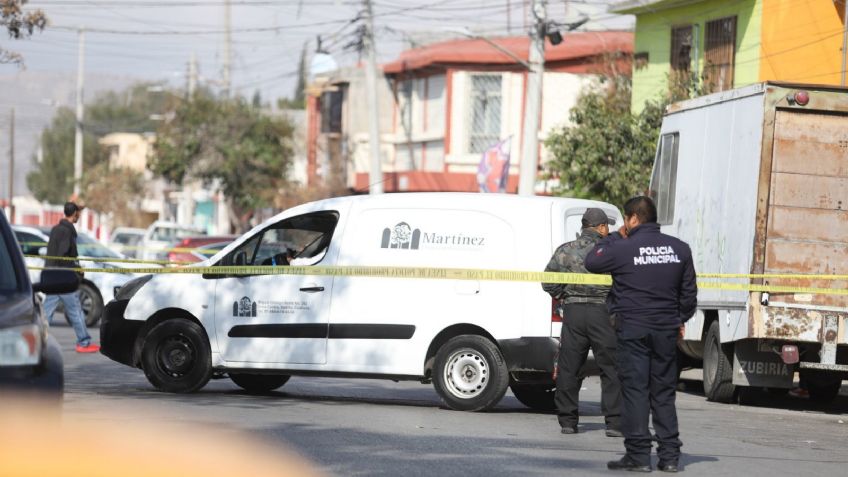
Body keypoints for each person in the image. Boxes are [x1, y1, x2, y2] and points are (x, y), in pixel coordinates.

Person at [584, 196, 697, 473]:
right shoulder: (680, 249)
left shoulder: (623, 248)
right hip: (665, 331)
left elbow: (592, 261)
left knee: (635, 392)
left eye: (625, 219)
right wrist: (677, 318)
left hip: (633, 329)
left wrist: (613, 238)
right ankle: (669, 457)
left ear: (633, 218)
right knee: (663, 393)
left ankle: (638, 455)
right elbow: (689, 296)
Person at [542, 208, 622, 437]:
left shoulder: (565, 250)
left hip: (574, 312)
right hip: (604, 314)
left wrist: (564, 295)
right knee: (611, 368)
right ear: (602, 227)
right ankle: (614, 423)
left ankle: (568, 421)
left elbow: (548, 282)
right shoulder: (612, 251)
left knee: (569, 367)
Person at [43, 202, 100, 353]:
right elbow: (63, 255)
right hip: (63, 277)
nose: (80, 216)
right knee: (75, 310)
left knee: (46, 312)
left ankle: (37, 341)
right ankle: (84, 343)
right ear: (74, 213)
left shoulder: (56, 229)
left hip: (52, 275)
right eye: (79, 213)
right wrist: (76, 268)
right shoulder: (67, 231)